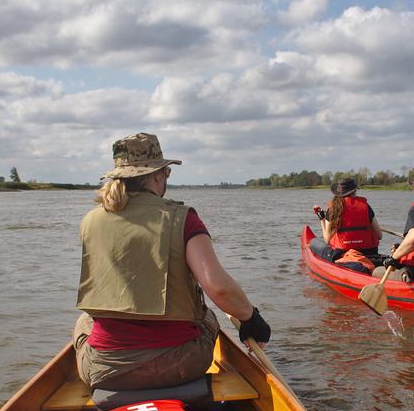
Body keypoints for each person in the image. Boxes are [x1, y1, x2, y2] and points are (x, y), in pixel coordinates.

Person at [74, 132, 271, 391]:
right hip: (179, 367)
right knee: (208, 316)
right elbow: (219, 288)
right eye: (166, 174)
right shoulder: (182, 218)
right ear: (157, 175)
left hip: (104, 371)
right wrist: (251, 319)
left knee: (84, 321)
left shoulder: (90, 221)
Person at [310, 178, 383, 274]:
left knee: (313, 242)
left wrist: (322, 219)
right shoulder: (365, 206)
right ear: (354, 191)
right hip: (370, 253)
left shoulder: (333, 209)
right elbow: (379, 236)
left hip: (343, 254)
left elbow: (327, 239)